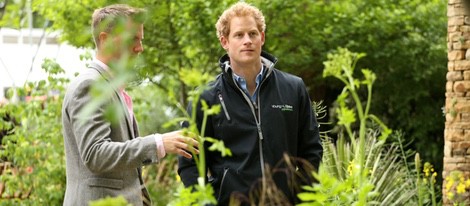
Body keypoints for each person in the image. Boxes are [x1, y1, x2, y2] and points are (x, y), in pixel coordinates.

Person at [178, 2, 323, 205]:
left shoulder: (293, 87)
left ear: (262, 38)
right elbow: (189, 163)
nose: (248, 41)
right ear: (224, 42)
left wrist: (300, 198)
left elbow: (312, 150)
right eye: (239, 35)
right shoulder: (205, 97)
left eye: (253, 34)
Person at [61, 4, 198, 206]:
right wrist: (158, 143)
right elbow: (96, 154)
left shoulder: (111, 88)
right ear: (105, 40)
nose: (140, 48)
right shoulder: (90, 86)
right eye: (133, 39)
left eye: (140, 40)